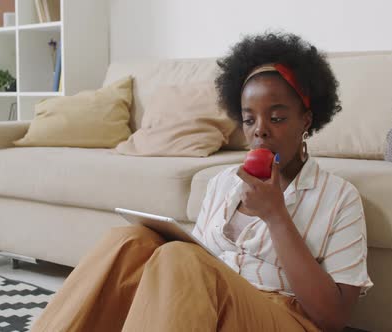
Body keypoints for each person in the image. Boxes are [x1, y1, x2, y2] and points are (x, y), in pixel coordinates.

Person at [32, 32, 372, 332]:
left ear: (306, 120)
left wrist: (276, 216)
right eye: (249, 119)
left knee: (183, 258)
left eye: (277, 117)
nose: (260, 130)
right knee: (130, 240)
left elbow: (332, 317)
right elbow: (194, 275)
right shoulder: (224, 183)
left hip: (285, 319)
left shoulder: (340, 198)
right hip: (210, 310)